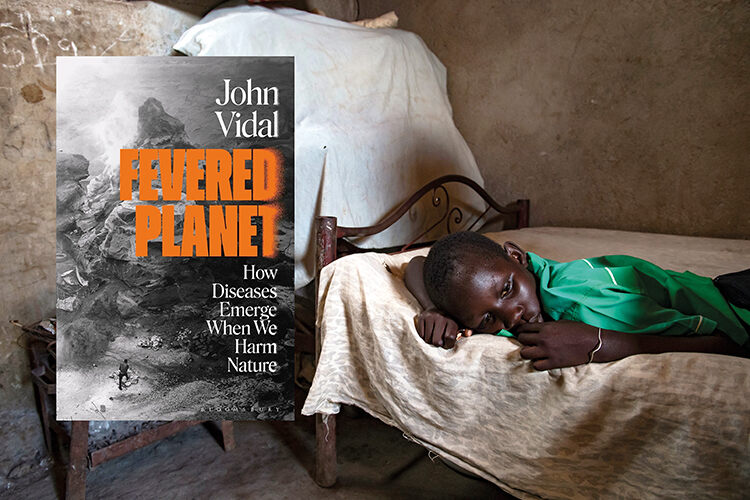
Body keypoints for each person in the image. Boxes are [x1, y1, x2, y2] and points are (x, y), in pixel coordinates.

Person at [404, 231, 750, 370]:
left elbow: (726, 346)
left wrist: (599, 343)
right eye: (487, 320)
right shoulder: (525, 278)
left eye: (507, 290)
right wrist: (432, 308)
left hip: (737, 301)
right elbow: (416, 264)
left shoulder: (577, 300)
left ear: (516, 256)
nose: (513, 317)